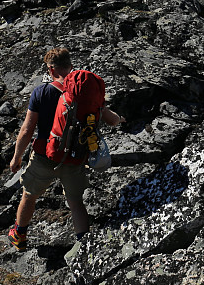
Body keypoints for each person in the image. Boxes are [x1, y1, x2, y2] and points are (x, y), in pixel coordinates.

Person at [7, 47, 124, 251]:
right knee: (76, 202)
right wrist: (121, 118)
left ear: (51, 70)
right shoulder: (84, 91)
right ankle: (85, 248)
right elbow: (112, 120)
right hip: (76, 157)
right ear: (70, 66)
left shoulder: (41, 92)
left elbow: (27, 130)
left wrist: (16, 158)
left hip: (45, 156)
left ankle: (19, 235)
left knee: (29, 194)